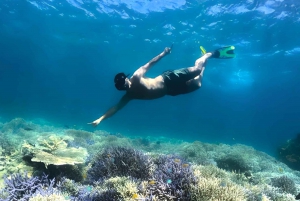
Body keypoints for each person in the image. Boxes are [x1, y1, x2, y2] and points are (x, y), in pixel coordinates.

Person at [89, 45, 235, 127]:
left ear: (126, 79)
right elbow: (116, 108)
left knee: (196, 70)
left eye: (124, 84)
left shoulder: (137, 76)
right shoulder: (129, 96)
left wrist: (164, 53)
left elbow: (150, 63)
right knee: (198, 84)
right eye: (122, 88)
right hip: (169, 91)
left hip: (168, 78)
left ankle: (209, 54)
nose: (125, 87)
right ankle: (204, 63)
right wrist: (100, 119)